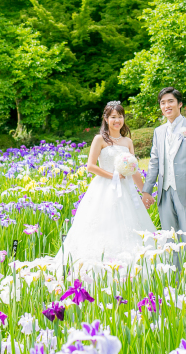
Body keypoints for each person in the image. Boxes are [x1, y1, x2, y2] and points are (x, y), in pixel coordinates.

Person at [54, 101, 156, 267]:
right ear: (106, 119)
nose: (117, 120)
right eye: (113, 117)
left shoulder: (127, 142)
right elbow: (91, 166)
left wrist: (145, 192)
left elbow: (134, 169)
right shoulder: (100, 139)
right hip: (104, 188)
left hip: (126, 190)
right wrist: (113, 176)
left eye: (120, 117)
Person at [142, 87, 186, 266]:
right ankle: (174, 278)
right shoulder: (159, 131)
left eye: (170, 101)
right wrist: (147, 191)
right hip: (165, 191)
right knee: (169, 239)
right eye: (163, 103)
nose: (166, 106)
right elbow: (154, 162)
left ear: (180, 104)